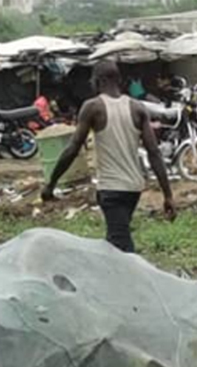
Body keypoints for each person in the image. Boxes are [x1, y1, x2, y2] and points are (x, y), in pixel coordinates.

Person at [41, 60, 175, 254]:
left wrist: (51, 183)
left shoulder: (92, 107)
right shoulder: (137, 108)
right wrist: (168, 195)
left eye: (93, 81)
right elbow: (154, 153)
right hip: (133, 188)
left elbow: (73, 148)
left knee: (120, 246)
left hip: (111, 189)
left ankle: (133, 280)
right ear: (118, 80)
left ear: (99, 80)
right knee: (117, 237)